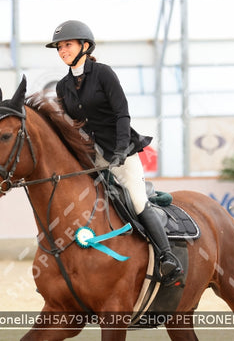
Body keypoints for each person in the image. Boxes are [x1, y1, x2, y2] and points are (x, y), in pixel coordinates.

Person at [46, 20, 183, 286]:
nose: (63, 50)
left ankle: (167, 258)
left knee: (137, 201)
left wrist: (121, 150)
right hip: (91, 158)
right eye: (60, 47)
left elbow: (122, 112)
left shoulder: (103, 73)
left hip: (122, 152)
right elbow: (71, 126)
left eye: (68, 45)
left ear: (85, 46)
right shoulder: (63, 87)